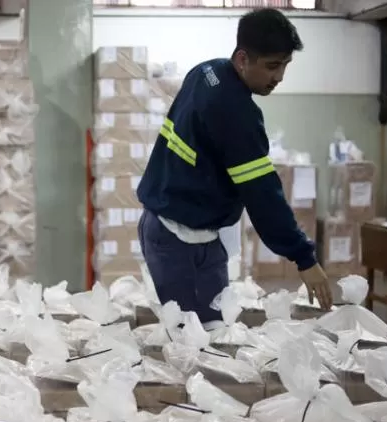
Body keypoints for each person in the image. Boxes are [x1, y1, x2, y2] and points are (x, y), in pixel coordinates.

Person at [136, 7, 333, 328]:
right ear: (243, 59)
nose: (279, 77)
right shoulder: (236, 113)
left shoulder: (205, 71)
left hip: (191, 230)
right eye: (272, 66)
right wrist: (304, 258)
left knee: (216, 327)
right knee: (193, 339)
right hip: (174, 238)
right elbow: (263, 196)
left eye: (285, 65)